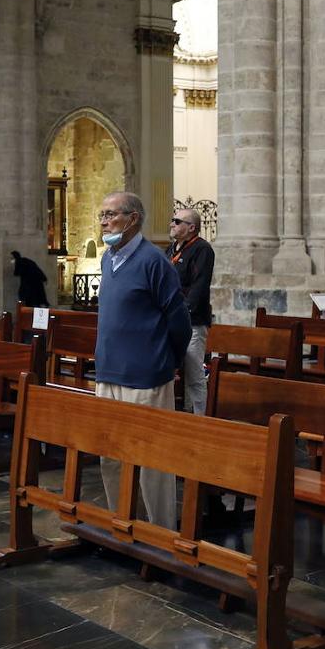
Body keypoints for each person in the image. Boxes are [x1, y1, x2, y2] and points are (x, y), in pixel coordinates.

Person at [95, 191, 191, 528]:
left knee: (152, 459)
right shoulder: (108, 259)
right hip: (108, 373)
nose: (104, 221)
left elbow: (179, 321)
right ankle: (121, 521)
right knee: (110, 455)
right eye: (102, 215)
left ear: (133, 218)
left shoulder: (154, 261)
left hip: (146, 375)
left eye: (111, 214)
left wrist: (170, 361)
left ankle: (161, 532)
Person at [168, 207, 214, 416]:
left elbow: (199, 286)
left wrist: (183, 313)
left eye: (177, 221)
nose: (172, 224)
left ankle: (200, 417)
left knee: (195, 372)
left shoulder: (202, 249)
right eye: (172, 220)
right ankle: (177, 412)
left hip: (192, 321)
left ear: (191, 228)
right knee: (170, 370)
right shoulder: (172, 249)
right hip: (170, 320)